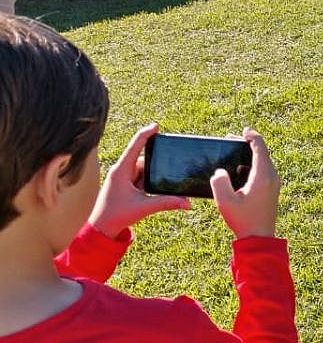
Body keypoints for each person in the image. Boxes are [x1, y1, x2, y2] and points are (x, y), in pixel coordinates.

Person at [0, 19, 296, 340]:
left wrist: (100, 231)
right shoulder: (164, 330)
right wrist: (259, 242)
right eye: (93, 155)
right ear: (56, 178)